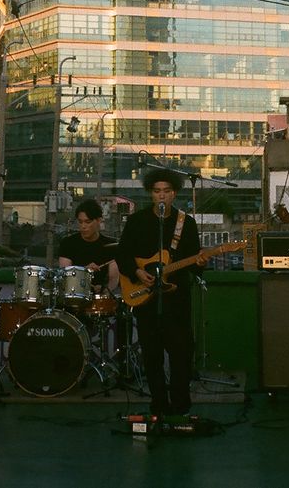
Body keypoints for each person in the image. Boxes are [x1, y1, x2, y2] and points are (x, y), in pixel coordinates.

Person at [116, 169, 208, 416]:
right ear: (151, 194)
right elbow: (122, 254)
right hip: (146, 300)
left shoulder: (185, 222)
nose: (162, 196)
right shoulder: (137, 221)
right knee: (151, 354)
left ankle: (180, 405)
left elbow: (195, 257)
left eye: (166, 191)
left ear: (174, 194)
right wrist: (137, 273)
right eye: (157, 191)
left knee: (181, 353)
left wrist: (200, 263)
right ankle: (158, 403)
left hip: (177, 298)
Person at [58, 199, 119, 294]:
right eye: (80, 222)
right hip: (74, 295)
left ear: (99, 220)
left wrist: (105, 290)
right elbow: (64, 275)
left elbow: (114, 278)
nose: (83, 226)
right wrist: (84, 271)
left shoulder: (110, 245)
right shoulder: (68, 243)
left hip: (99, 300)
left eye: (88, 222)